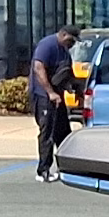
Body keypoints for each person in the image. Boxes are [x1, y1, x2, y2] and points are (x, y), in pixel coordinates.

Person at [30, 25, 79, 182]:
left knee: (63, 133)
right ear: (63, 34)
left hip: (58, 97)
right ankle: (43, 170)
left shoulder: (65, 52)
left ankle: (66, 168)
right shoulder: (48, 45)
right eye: (71, 40)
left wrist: (75, 90)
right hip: (44, 96)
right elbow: (38, 68)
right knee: (47, 133)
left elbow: (67, 73)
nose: (72, 44)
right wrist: (50, 92)